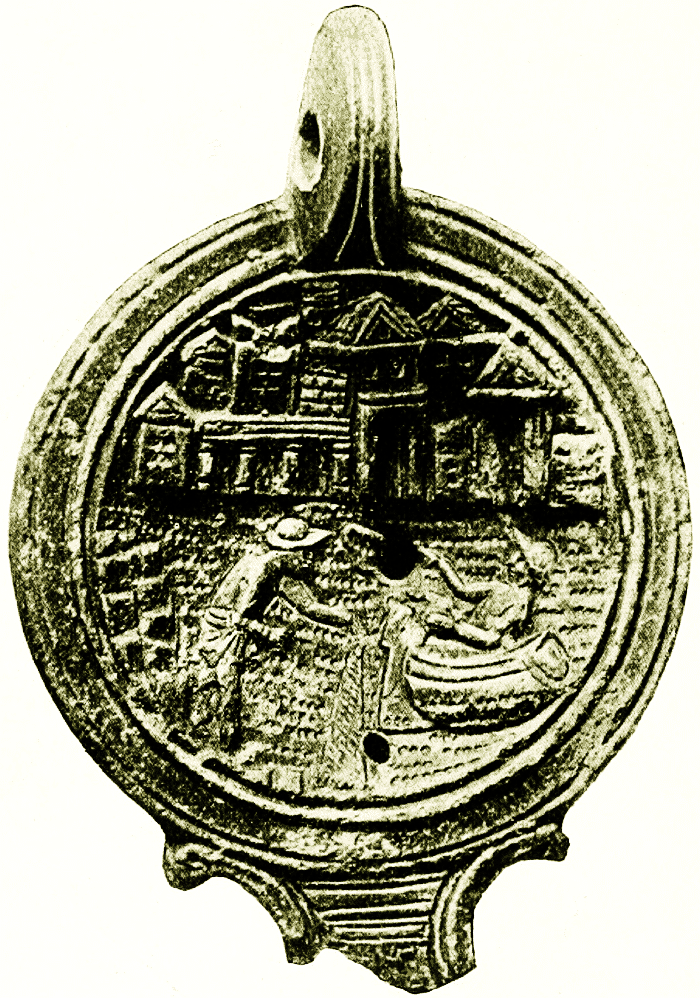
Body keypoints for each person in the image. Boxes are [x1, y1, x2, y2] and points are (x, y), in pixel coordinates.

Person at [188, 515, 351, 751]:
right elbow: (236, 617)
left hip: (229, 629)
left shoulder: (276, 569)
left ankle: (205, 735)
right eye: (306, 552)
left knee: (215, 683)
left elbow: (309, 607)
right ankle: (219, 745)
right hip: (223, 632)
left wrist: (347, 618)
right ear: (292, 551)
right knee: (225, 688)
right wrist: (268, 632)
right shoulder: (263, 568)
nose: (311, 559)